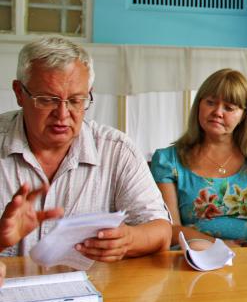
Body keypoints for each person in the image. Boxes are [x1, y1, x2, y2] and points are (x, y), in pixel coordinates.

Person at [0, 36, 171, 262]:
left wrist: (128, 240)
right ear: (19, 93)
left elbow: (161, 231)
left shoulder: (116, 151)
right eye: (47, 100)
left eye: (75, 100)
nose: (62, 115)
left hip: (91, 284)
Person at [150, 69, 247, 246]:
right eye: (210, 102)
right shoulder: (168, 161)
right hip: (195, 257)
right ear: (199, 105)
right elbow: (169, 230)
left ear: (244, 115)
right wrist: (220, 245)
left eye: (229, 108)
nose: (217, 112)